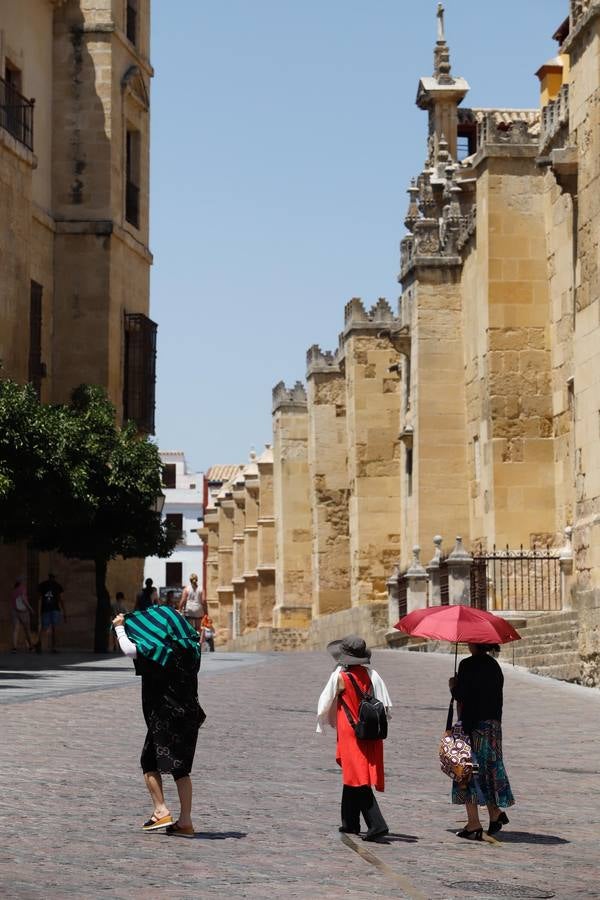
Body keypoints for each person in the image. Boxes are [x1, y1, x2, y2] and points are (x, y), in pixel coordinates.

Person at [113, 605, 204, 836]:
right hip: (189, 713)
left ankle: (160, 810)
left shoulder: (160, 649)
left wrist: (120, 628)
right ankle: (185, 822)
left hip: (164, 716)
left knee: (149, 762)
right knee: (181, 768)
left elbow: (130, 650)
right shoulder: (190, 647)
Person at [316, 635, 392, 841]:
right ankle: (349, 822)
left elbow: (325, 702)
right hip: (367, 729)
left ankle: (377, 824)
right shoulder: (371, 675)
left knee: (357, 776)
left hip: (351, 731)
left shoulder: (341, 678)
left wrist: (321, 722)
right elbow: (385, 702)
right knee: (352, 774)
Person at [449, 643, 515, 841]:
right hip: (493, 726)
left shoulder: (467, 664)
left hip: (473, 726)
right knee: (489, 770)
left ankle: (474, 823)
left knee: (468, 771)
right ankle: (494, 813)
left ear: (472, 644)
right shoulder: (494, 666)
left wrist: (453, 685)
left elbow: (462, 695)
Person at [37, 573, 66, 653]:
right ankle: (53, 648)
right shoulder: (57, 585)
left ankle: (39, 644)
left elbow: (38, 597)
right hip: (55, 609)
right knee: (54, 628)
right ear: (54, 578)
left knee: (44, 628)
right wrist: (64, 611)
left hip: (45, 608)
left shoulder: (43, 585)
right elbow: (61, 599)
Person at [10, 578, 34, 653]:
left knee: (15, 630)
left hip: (14, 611)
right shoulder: (23, 588)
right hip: (23, 611)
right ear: (21, 582)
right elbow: (24, 599)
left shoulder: (14, 591)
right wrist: (30, 608)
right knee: (27, 629)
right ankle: (31, 646)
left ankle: (14, 648)